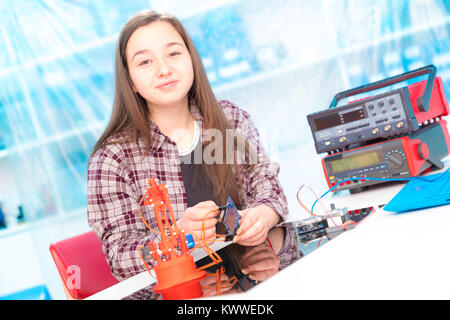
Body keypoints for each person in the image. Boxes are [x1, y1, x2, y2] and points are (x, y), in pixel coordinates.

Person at [87, 9, 289, 298]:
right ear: (130, 81)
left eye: (173, 54)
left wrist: (264, 215)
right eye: (145, 61)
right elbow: (119, 257)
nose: (163, 69)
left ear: (192, 60)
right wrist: (180, 235)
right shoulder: (112, 159)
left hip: (252, 283)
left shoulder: (231, 118)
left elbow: (266, 183)